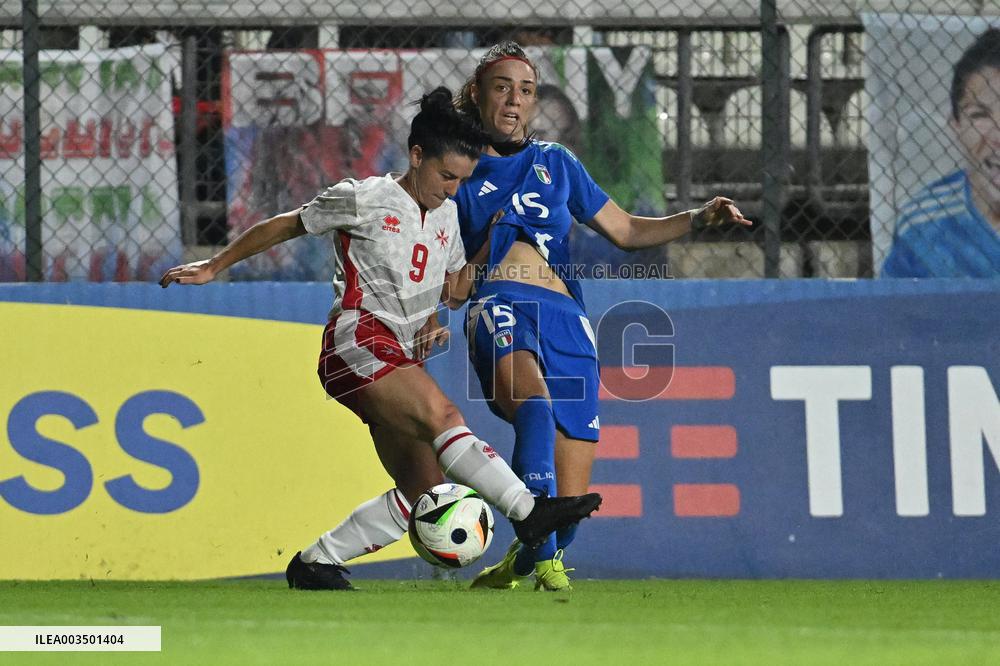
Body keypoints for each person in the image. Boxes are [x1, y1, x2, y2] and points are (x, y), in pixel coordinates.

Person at [159, 87, 602, 591]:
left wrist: (483, 257)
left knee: (425, 495)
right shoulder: (365, 197)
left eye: (461, 180)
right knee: (445, 418)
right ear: (416, 156)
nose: (453, 189)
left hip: (400, 353)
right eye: (445, 176)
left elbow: (453, 289)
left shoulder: (448, 216)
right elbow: (286, 225)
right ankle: (529, 512)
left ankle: (315, 563)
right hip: (357, 340)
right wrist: (215, 265)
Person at [453, 42, 750, 591]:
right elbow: (452, 292)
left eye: (526, 90)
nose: (515, 101)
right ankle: (545, 569)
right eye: (502, 87)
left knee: (567, 518)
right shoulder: (458, 172)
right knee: (536, 412)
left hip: (567, 319)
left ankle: (520, 565)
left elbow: (629, 231)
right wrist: (484, 249)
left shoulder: (557, 164)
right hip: (499, 305)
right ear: (477, 94)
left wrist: (699, 216)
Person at [881, 27, 1000, 278]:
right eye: (980, 115)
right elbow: (896, 315)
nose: (998, 135)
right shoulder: (922, 225)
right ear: (955, 126)